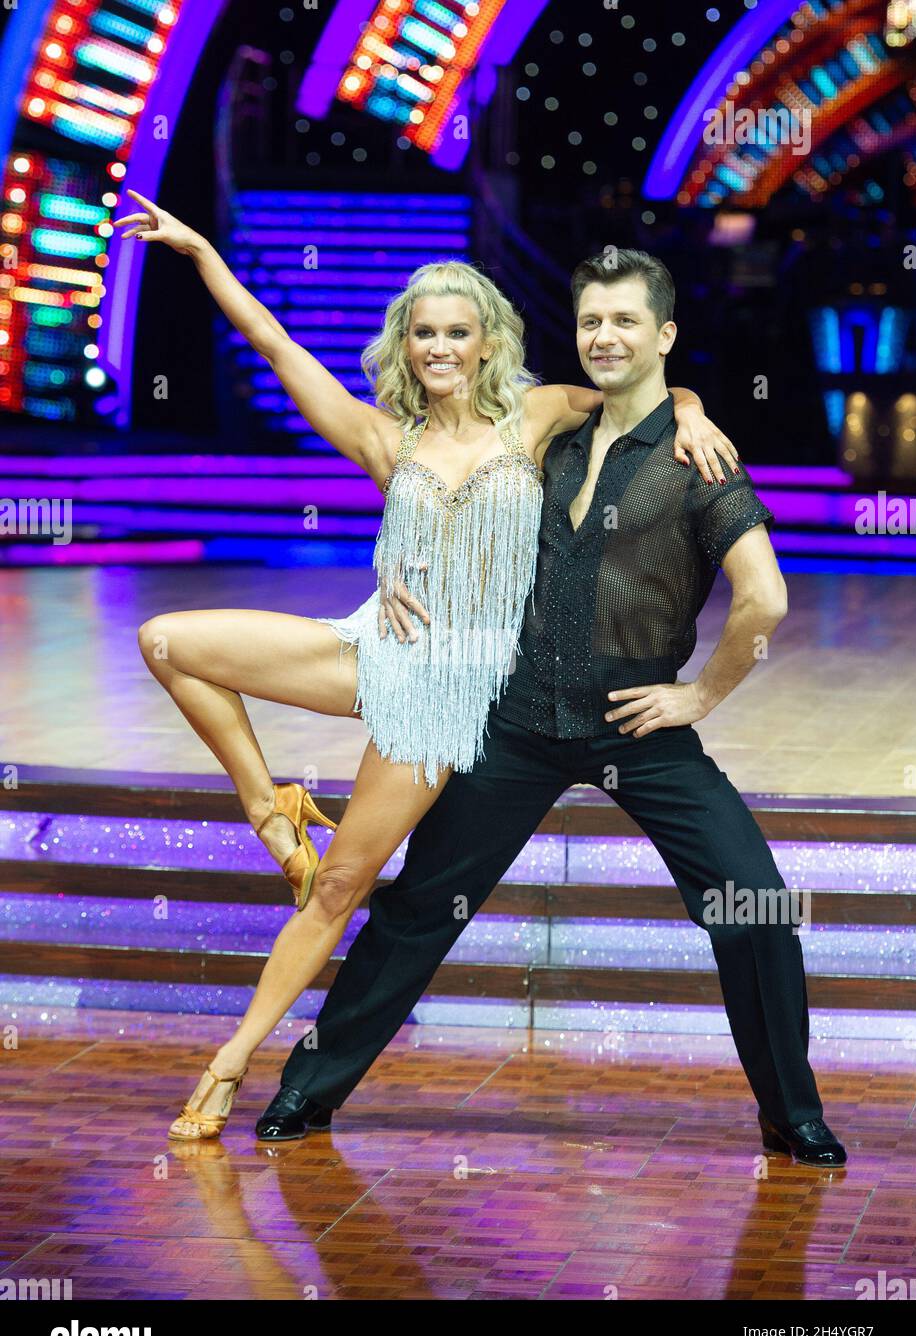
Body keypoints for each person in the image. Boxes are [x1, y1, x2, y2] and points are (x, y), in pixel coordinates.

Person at [116, 191, 735, 1139]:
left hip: (450, 696)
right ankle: (268, 809)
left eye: (456, 331)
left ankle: (231, 1063)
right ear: (404, 345)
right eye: (422, 334)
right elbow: (278, 347)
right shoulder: (384, 437)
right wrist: (199, 251)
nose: (438, 347)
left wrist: (689, 409)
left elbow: (638, 387)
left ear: (487, 339)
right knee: (168, 640)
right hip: (372, 646)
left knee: (340, 889)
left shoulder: (534, 416)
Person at [258, 249, 847, 1170]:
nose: (605, 337)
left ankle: (791, 1114)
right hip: (520, 717)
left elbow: (763, 598)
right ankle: (307, 1087)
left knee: (758, 905)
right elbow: (448, 506)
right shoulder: (543, 436)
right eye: (590, 323)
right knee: (418, 906)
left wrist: (698, 694)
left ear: (665, 336)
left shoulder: (700, 459)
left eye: (624, 322)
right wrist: (398, 568)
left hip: (638, 728)